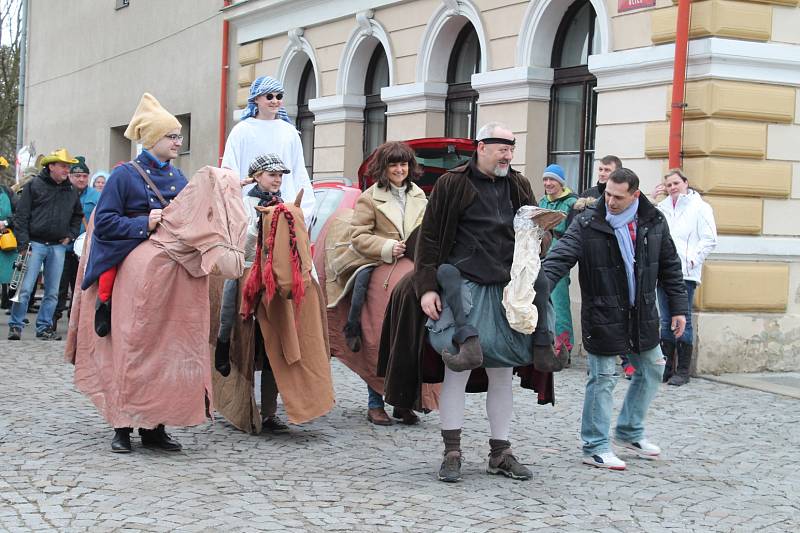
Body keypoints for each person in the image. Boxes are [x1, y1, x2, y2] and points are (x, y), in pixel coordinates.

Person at [378, 122, 557, 483]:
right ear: (482, 148)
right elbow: (429, 239)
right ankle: (452, 452)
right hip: (464, 289)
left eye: (511, 147)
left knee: (502, 373)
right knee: (456, 371)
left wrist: (541, 237)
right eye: (502, 147)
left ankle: (500, 452)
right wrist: (426, 288)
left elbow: (535, 231)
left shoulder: (519, 185)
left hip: (508, 290)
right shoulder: (452, 184)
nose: (508, 154)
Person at [543, 168, 688, 470]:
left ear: (635, 195)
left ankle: (629, 431)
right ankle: (594, 446)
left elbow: (670, 267)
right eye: (607, 194)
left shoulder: (653, 221)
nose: (609, 201)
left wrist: (678, 308)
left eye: (618, 197)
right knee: (603, 378)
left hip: (642, 313)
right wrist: (535, 288)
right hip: (603, 314)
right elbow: (560, 257)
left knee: (652, 369)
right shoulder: (587, 222)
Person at [78, 92, 191, 452]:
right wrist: (146, 222)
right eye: (172, 136)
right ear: (154, 139)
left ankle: (155, 426)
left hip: (167, 271)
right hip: (127, 261)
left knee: (163, 349)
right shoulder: (124, 176)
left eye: (178, 136)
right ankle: (122, 426)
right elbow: (106, 222)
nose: (178, 141)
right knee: (127, 349)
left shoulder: (178, 176)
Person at [325, 141, 428, 426]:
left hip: (411, 268)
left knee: (412, 337)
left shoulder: (420, 196)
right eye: (394, 164)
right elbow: (358, 236)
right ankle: (375, 401)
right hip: (378, 267)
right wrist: (386, 247)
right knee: (379, 337)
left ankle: (404, 399)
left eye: (403, 164)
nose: (399, 169)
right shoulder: (370, 198)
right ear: (383, 168)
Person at [214, 153, 290, 432]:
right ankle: (222, 344)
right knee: (232, 308)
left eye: (280, 175)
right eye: (272, 174)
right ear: (257, 176)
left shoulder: (284, 205)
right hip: (246, 268)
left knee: (273, 347)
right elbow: (239, 238)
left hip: (274, 277)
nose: (277, 180)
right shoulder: (242, 201)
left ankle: (269, 412)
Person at [8, 149, 83, 341]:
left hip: (58, 245)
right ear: (51, 166)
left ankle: (44, 327)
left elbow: (77, 215)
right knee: (24, 289)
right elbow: (21, 216)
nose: (68, 170)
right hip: (34, 243)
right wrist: (23, 245)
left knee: (52, 291)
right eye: (64, 166)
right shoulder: (34, 185)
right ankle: (16, 326)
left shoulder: (71, 190)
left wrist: (71, 235)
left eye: (68, 166)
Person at [654, 169, 717, 386]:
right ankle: (667, 367)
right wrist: (654, 201)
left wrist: (693, 259)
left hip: (685, 273)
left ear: (686, 183)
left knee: (683, 320)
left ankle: (682, 370)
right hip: (663, 272)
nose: (673, 188)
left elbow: (709, 239)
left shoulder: (699, 207)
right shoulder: (661, 208)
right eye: (669, 185)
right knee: (665, 320)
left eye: (676, 183)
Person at [222, 75, 314, 220]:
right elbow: (229, 171)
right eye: (269, 96)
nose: (275, 101)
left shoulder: (290, 132)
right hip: (249, 212)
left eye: (279, 96)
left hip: (285, 212)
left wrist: (304, 211)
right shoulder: (241, 131)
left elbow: (299, 173)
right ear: (256, 99)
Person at [53, 157, 100, 327]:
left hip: (85, 249)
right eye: (78, 175)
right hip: (63, 247)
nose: (81, 179)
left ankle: (77, 322)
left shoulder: (96, 196)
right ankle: (53, 320)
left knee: (80, 287)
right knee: (59, 286)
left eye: (84, 176)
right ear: (71, 177)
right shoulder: (62, 193)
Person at [538, 164, 578, 358]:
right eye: (545, 179)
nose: (548, 183)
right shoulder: (541, 202)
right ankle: (545, 343)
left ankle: (564, 347)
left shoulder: (572, 203)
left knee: (559, 303)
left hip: (560, 258)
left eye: (552, 179)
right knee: (541, 302)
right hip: (540, 258)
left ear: (561, 182)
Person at [0, 179, 17, 309]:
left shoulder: (8, 192)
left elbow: (20, 212)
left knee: (7, 274)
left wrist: (5, 223)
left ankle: (8, 300)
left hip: (5, 240)